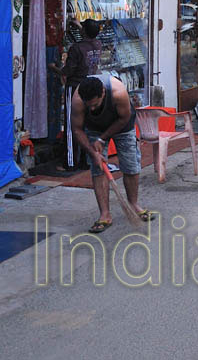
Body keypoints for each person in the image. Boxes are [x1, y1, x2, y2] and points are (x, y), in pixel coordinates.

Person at [71, 73, 149, 233]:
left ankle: (133, 204)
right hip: (93, 127)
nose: (92, 108)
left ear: (103, 94)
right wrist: (93, 152)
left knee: (131, 164)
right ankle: (104, 214)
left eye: (95, 104)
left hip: (122, 124)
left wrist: (102, 139)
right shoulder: (78, 100)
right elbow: (77, 129)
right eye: (89, 106)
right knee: (97, 168)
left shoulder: (118, 92)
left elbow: (124, 118)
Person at [50, 19, 102, 170]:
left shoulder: (76, 48)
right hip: (89, 86)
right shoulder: (97, 44)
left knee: (71, 124)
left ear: (83, 31)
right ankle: (85, 160)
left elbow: (67, 72)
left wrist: (53, 68)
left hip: (74, 88)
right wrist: (81, 26)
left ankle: (70, 162)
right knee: (86, 124)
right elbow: (90, 35)